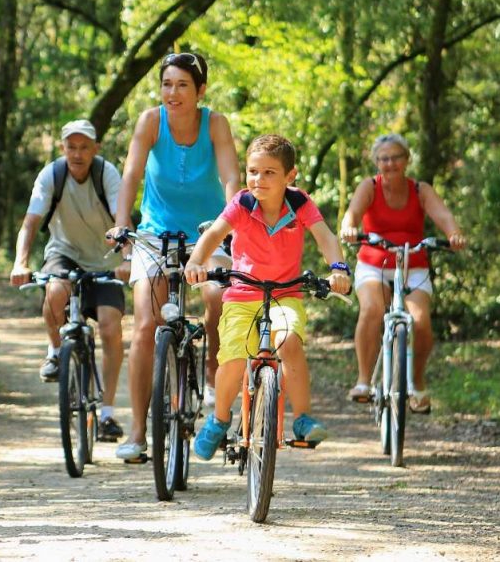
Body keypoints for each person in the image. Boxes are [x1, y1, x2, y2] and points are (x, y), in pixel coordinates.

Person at [106, 52, 241, 460]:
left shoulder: (215, 124)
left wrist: (234, 220)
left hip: (208, 231)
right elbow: (131, 174)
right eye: (167, 84)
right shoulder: (150, 121)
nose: (173, 93)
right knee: (146, 325)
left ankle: (216, 379)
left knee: (218, 299)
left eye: (183, 85)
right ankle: (137, 430)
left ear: (200, 91)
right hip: (155, 232)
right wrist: (120, 223)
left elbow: (231, 176)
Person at [185, 134, 351, 459]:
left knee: (289, 341)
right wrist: (195, 262)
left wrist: (339, 268)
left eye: (269, 172)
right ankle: (219, 419)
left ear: (290, 176)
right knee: (233, 360)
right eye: (253, 171)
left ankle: (302, 418)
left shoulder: (300, 203)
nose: (258, 179)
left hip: (285, 294)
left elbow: (325, 237)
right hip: (242, 293)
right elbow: (214, 234)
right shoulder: (243, 204)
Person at [10, 119, 129, 441]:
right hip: (64, 252)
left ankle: (106, 414)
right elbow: (31, 221)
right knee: (54, 291)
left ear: (95, 149)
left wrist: (128, 259)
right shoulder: (52, 174)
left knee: (110, 327)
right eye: (71, 146)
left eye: (84, 147)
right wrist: (21, 261)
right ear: (63, 148)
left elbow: (122, 221)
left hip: (106, 260)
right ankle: (55, 351)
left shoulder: (107, 175)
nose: (77, 154)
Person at [340, 133, 466, 413]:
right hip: (375, 262)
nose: (390, 163)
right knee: (372, 309)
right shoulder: (369, 187)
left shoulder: (420, 190)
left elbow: (443, 216)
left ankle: (417, 384)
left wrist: (453, 234)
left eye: (396, 157)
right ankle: (363, 381)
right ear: (376, 162)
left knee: (421, 322)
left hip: (413, 264)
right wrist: (349, 228)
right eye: (384, 159)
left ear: (406, 159)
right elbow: (352, 213)